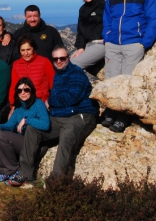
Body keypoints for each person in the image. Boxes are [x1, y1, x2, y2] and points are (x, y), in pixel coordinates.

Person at [7, 46, 98, 187]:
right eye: (56, 59)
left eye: (62, 58)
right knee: (33, 128)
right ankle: (25, 173)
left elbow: (72, 97)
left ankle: (56, 181)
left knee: (67, 136)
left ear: (68, 58)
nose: (59, 61)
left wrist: (50, 101)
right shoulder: (58, 75)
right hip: (60, 116)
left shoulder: (76, 73)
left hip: (81, 115)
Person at [102, 0, 156, 132]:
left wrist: (144, 43)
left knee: (128, 81)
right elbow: (107, 20)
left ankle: (123, 116)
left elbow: (154, 20)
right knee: (112, 80)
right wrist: (107, 37)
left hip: (134, 44)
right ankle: (111, 112)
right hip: (113, 44)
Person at [0, 77, 50, 182]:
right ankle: (4, 171)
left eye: (26, 90)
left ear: (31, 91)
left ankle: (14, 170)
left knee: (2, 136)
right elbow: (10, 125)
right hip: (23, 143)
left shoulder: (38, 103)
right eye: (19, 90)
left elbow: (46, 124)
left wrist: (27, 120)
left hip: (35, 145)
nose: (23, 93)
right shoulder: (19, 107)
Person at [9, 35, 54, 109]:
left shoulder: (45, 62)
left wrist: (49, 101)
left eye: (28, 49)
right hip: (22, 104)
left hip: (41, 103)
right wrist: (12, 105)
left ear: (34, 49)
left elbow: (53, 84)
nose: (26, 53)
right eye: (23, 50)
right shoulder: (16, 64)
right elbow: (14, 86)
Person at [71, 0, 106, 76]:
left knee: (74, 64)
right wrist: (80, 47)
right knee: (64, 64)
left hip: (101, 44)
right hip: (88, 44)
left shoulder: (105, 4)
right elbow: (80, 31)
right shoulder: (83, 9)